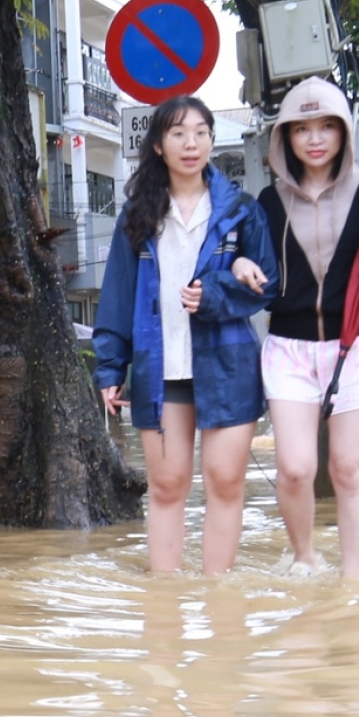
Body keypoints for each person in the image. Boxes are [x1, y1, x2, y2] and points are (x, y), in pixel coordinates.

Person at [238, 77, 359, 578]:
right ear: (285, 137)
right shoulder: (268, 201)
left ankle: (352, 579)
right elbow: (246, 257)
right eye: (302, 129)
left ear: (343, 131)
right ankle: (304, 558)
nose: (315, 138)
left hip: (357, 344)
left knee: (349, 468)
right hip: (288, 348)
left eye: (327, 126)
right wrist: (239, 264)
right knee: (295, 468)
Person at [94, 95, 276, 575]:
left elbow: (267, 285)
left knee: (225, 483)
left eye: (200, 133)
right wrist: (110, 367)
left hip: (228, 367)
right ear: (158, 145)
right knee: (167, 485)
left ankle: (218, 596)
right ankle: (164, 600)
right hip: (162, 370)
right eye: (178, 134)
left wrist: (215, 291)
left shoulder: (241, 211)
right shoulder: (137, 217)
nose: (190, 143)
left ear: (212, 141)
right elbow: (117, 295)